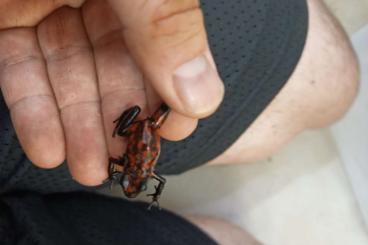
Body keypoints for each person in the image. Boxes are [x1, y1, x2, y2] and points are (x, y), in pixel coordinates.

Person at [0, 0, 358, 244]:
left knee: (329, 79)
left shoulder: (134, 166)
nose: (132, 181)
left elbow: (127, 163)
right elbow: (130, 166)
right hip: (144, 132)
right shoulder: (136, 168)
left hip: (141, 129)